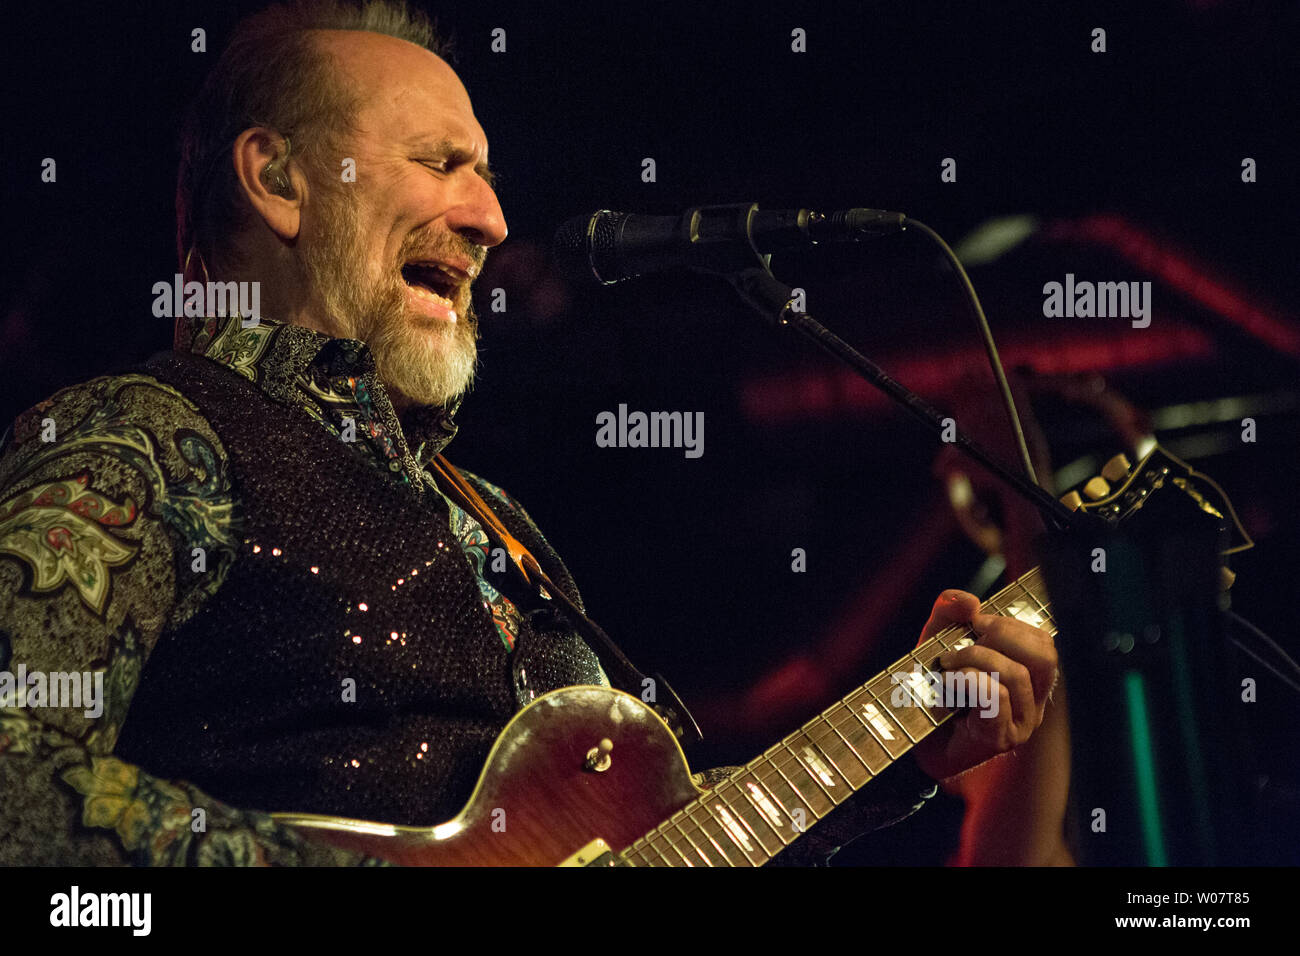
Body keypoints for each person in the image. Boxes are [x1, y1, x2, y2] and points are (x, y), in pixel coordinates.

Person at [0, 0, 1069, 866]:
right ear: (279, 180)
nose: (491, 218)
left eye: (488, 175)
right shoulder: (145, 435)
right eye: (439, 162)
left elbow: (662, 840)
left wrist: (908, 745)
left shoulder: (492, 520)